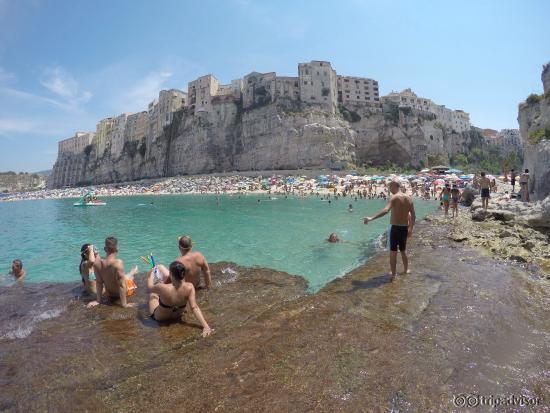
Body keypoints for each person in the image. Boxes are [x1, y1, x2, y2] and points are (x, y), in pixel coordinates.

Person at [363, 180, 416, 282]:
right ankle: (406, 270)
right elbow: (413, 216)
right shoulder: (409, 198)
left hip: (395, 228)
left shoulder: (394, 197)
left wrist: (371, 218)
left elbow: (386, 210)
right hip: (404, 228)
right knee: (403, 250)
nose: (389, 189)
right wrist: (411, 229)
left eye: (389, 187)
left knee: (393, 252)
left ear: (394, 186)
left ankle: (393, 274)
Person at [147, 261, 212, 336]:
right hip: (177, 316)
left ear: (171, 275)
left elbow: (149, 288)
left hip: (160, 318)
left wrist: (150, 275)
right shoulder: (190, 287)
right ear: (184, 274)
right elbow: (194, 308)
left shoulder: (162, 287)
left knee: (153, 295)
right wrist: (206, 326)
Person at [86, 237, 138, 308]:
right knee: (129, 278)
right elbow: (122, 285)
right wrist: (124, 304)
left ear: (105, 249)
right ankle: (133, 272)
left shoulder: (97, 263)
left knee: (123, 277)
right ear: (117, 249)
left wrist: (98, 301)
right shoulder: (118, 263)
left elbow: (99, 283)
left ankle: (132, 272)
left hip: (109, 294)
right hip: (122, 293)